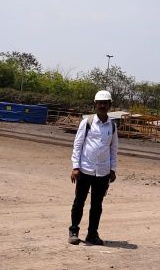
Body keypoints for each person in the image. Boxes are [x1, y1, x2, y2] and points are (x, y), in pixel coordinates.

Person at [69, 90, 119, 245]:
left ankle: (92, 234)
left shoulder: (112, 125)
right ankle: (74, 231)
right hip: (85, 169)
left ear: (110, 105)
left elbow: (114, 149)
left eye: (105, 103)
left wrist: (112, 169)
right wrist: (75, 167)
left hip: (103, 172)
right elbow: (77, 145)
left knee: (97, 205)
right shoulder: (87, 122)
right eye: (100, 103)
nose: (102, 106)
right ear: (95, 104)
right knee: (79, 202)